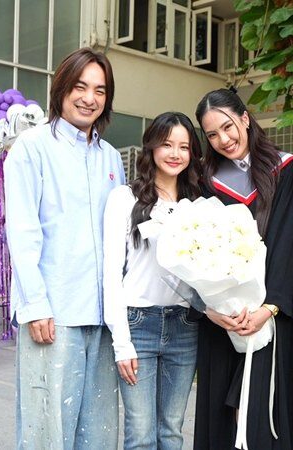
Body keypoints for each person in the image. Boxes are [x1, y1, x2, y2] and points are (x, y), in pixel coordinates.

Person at [5, 47, 124, 449]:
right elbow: (23, 230)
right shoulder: (32, 147)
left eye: (100, 90)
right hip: (54, 314)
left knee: (100, 434)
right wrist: (35, 305)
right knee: (48, 432)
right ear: (61, 88)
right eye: (80, 87)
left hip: (103, 316)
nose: (90, 98)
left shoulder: (111, 158)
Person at [193, 88, 293, 450]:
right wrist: (213, 308)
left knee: (257, 419)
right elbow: (197, 245)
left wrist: (268, 309)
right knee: (221, 422)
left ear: (245, 118)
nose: (223, 139)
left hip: (266, 319)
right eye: (212, 134)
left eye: (228, 127)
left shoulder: (285, 169)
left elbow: (288, 243)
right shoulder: (205, 178)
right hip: (222, 320)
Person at [103, 112, 202, 449]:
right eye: (167, 144)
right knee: (141, 433)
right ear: (152, 147)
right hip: (138, 324)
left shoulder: (198, 203)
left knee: (171, 430)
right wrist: (122, 343)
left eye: (184, 147)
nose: (175, 153)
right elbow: (111, 274)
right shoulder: (125, 198)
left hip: (185, 325)